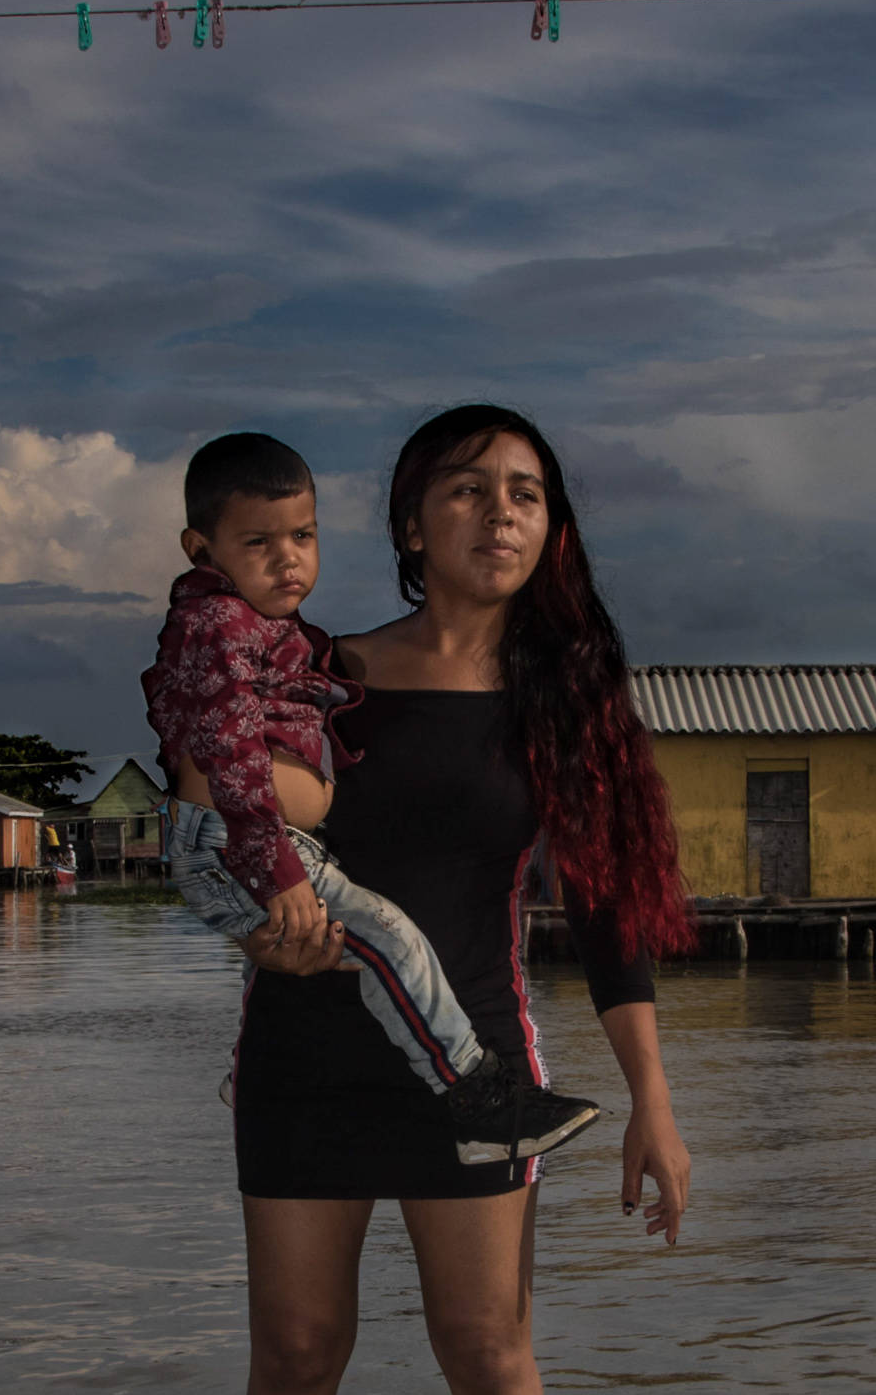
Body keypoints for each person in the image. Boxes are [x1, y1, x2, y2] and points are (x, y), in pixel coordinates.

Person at [217, 406, 694, 1395]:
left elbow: (606, 912)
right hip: (306, 1055)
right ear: (412, 519)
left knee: (487, 1352)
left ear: (553, 533)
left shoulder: (563, 708)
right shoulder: (319, 674)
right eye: (471, 489)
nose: (501, 513)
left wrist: (648, 1093)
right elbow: (223, 814)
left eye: (528, 494)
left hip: (479, 1071)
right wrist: (251, 907)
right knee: (297, 1350)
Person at [145, 432, 602, 1165]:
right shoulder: (224, 625)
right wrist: (279, 875)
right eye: (259, 542)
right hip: (251, 844)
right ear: (201, 547)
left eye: (302, 536)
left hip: (258, 846)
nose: (288, 559)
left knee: (381, 938)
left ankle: (249, 1077)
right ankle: (477, 1098)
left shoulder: (278, 632)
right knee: (392, 938)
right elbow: (225, 765)